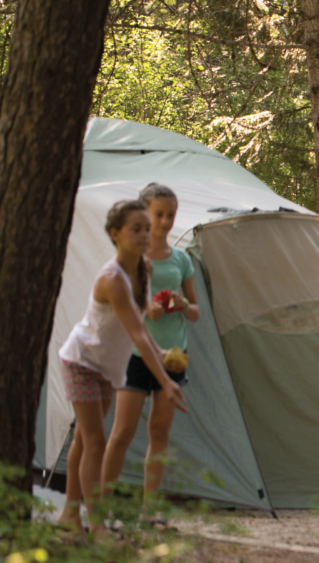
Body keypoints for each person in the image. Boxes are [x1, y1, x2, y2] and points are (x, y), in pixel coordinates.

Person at [57, 200, 187, 538]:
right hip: (82, 361)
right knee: (96, 442)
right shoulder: (112, 279)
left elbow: (143, 327)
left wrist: (162, 353)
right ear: (115, 234)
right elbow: (137, 335)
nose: (145, 234)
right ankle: (96, 525)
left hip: (105, 366)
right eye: (137, 229)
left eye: (147, 228)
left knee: (85, 440)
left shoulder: (142, 269)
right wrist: (166, 381)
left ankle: (69, 517)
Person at [101, 185, 199, 528]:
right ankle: (102, 507)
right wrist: (149, 311)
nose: (165, 221)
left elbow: (196, 312)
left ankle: (150, 511)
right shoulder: (134, 259)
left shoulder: (181, 259)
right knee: (122, 430)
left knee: (160, 431)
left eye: (170, 215)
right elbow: (123, 310)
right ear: (144, 215)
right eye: (158, 214)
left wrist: (180, 303)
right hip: (135, 355)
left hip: (173, 356)